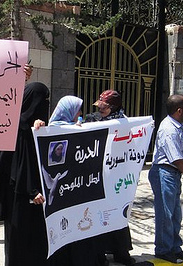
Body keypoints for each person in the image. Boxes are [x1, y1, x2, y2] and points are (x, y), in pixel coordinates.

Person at [34, 95, 104, 266]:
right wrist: (39, 128)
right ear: (68, 111)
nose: (80, 113)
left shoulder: (78, 129)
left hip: (77, 191)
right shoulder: (50, 131)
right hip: (61, 195)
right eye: (77, 109)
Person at [0, 82, 52, 266]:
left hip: (34, 195)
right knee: (18, 242)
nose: (45, 105)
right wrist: (32, 190)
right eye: (42, 100)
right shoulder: (17, 130)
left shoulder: (34, 129)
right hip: (18, 195)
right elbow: (16, 167)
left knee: (35, 241)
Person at [148, 94, 183, 264]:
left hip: (172, 174)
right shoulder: (169, 129)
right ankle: (163, 249)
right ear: (179, 110)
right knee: (166, 215)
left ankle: (174, 248)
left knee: (175, 215)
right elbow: (176, 159)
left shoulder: (176, 127)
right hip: (165, 173)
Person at [85, 90, 135, 266]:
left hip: (117, 177)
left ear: (114, 107)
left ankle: (121, 252)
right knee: (100, 216)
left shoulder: (124, 123)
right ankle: (100, 254)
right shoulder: (92, 120)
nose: (100, 111)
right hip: (98, 177)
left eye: (104, 108)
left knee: (118, 214)